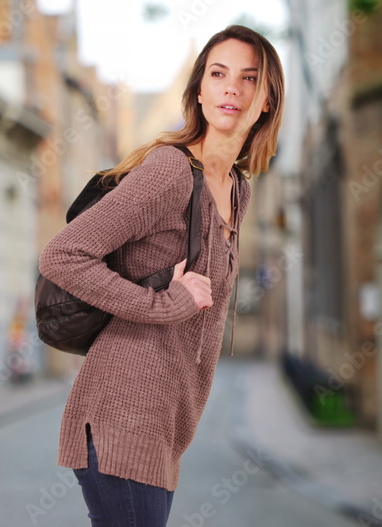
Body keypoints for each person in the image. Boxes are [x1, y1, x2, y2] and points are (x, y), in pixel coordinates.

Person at [37, 24, 284, 526]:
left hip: (166, 427)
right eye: (218, 74)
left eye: (248, 78)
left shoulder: (238, 189)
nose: (231, 88)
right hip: (122, 415)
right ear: (199, 90)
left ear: (266, 101)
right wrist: (163, 303)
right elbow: (63, 255)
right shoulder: (170, 171)